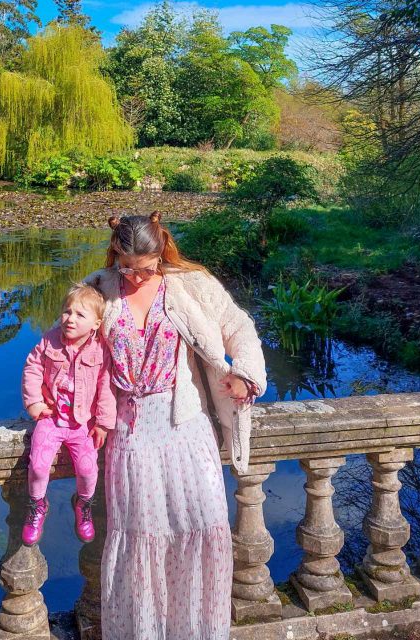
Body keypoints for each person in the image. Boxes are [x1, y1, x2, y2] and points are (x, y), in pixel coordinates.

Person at [83, 210, 267, 640]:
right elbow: (62, 339)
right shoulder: (99, 287)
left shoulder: (192, 285)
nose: (133, 278)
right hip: (129, 432)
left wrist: (244, 373)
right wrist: (55, 403)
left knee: (202, 524)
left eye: (143, 269)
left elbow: (240, 327)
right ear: (115, 255)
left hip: (186, 425)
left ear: (161, 250)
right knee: (142, 540)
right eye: (125, 267)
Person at [21, 282, 117, 545]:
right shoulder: (49, 340)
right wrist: (35, 404)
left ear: (96, 324)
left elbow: (106, 386)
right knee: (39, 466)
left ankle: (83, 504)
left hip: (82, 424)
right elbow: (32, 368)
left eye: (79, 315)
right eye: (67, 312)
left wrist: (104, 423)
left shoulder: (101, 351)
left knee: (88, 471)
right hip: (51, 420)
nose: (69, 319)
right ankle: (37, 505)